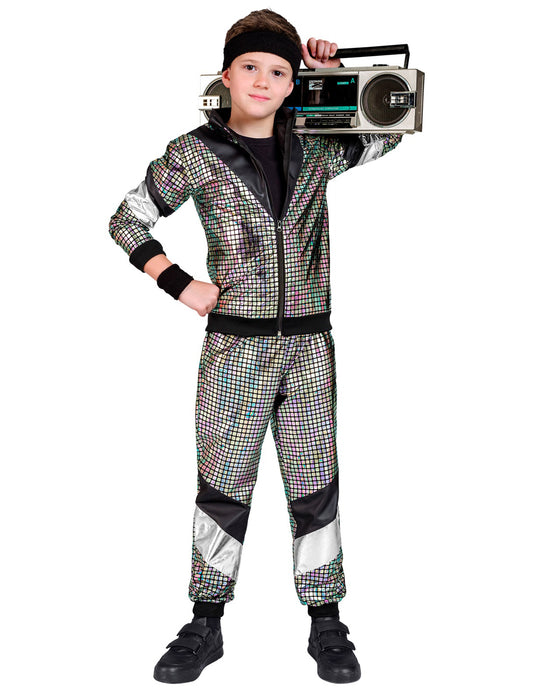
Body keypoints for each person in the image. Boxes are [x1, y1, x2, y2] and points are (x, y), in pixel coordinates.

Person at [108, 8, 403, 685]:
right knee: (222, 486)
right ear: (225, 75)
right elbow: (127, 218)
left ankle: (325, 620)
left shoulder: (316, 147)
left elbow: (389, 130)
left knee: (314, 484)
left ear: (292, 82)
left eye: (279, 71)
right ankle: (205, 621)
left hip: (308, 350)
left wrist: (335, 78)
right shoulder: (194, 153)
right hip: (234, 351)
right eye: (250, 67)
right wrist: (178, 282)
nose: (263, 81)